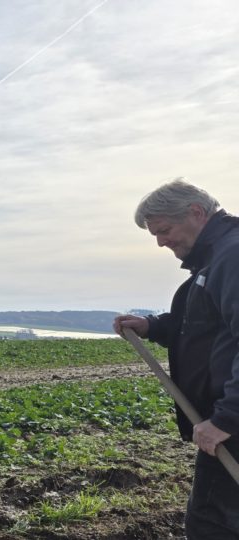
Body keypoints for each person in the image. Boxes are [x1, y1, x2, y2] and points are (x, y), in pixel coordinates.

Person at [113, 178, 239, 539]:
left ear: (196, 213)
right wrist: (153, 326)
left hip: (233, 425)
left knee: (212, 526)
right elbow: (211, 327)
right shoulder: (215, 259)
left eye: (164, 230)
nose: (161, 241)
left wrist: (227, 419)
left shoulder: (232, 256)